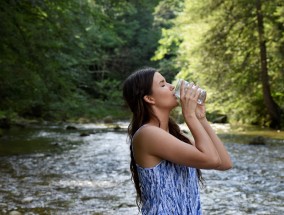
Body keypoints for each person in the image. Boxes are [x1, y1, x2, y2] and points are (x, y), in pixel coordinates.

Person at [122, 67, 232, 215]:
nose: (172, 87)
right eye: (163, 84)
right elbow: (211, 159)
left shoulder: (174, 135)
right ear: (149, 98)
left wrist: (201, 118)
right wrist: (189, 115)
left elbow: (224, 163)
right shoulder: (148, 134)